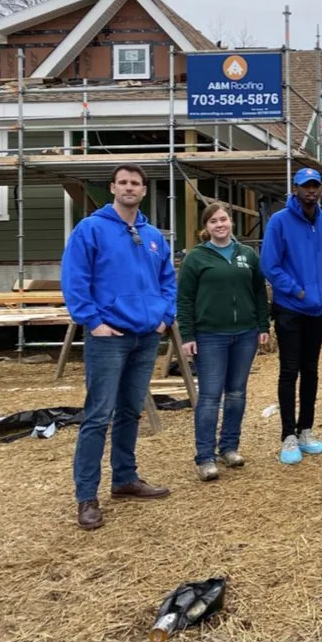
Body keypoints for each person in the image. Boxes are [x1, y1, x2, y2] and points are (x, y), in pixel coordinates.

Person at [61, 163, 174, 530]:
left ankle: (125, 478)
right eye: (123, 182)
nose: (129, 188)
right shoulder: (91, 229)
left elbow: (168, 280)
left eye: (136, 183)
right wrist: (93, 322)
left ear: (143, 190)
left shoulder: (153, 235)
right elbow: (75, 279)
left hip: (145, 337)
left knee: (130, 412)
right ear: (113, 187)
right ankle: (86, 496)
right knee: (97, 416)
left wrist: (164, 317)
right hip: (109, 338)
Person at [260, 167, 322, 465]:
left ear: (320, 190)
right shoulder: (279, 221)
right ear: (295, 189)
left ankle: (306, 430)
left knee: (311, 370)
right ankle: (287, 435)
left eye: (315, 186)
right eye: (305, 186)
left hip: (317, 308)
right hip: (290, 307)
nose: (311, 191)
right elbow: (269, 265)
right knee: (289, 370)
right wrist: (296, 291)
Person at [178, 202, 269, 481]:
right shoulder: (196, 258)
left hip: (244, 333)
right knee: (209, 396)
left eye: (224, 220)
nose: (220, 225)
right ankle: (205, 456)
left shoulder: (247, 255)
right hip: (210, 336)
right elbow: (184, 299)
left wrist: (263, 325)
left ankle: (229, 447)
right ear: (206, 227)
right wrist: (188, 335)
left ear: (231, 223)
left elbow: (258, 293)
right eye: (213, 221)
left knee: (237, 393)